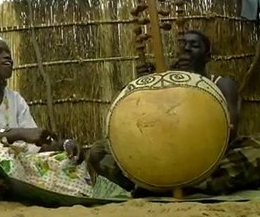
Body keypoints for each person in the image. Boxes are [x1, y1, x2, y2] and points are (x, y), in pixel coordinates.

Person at [88, 30, 260, 197]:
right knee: (98, 151)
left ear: (207, 56)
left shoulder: (223, 84)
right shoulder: (165, 84)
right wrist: (143, 86)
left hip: (211, 161)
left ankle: (166, 188)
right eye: (183, 44)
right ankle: (155, 183)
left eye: (194, 45)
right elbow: (142, 126)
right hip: (164, 161)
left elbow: (229, 132)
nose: (186, 49)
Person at [0, 20, 92, 197]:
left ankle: (61, 191)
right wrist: (18, 133)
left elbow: (33, 147)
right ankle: (29, 191)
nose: (7, 57)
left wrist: (64, 145)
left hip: (14, 161)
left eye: (8, 53)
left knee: (68, 160)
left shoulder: (15, 99)